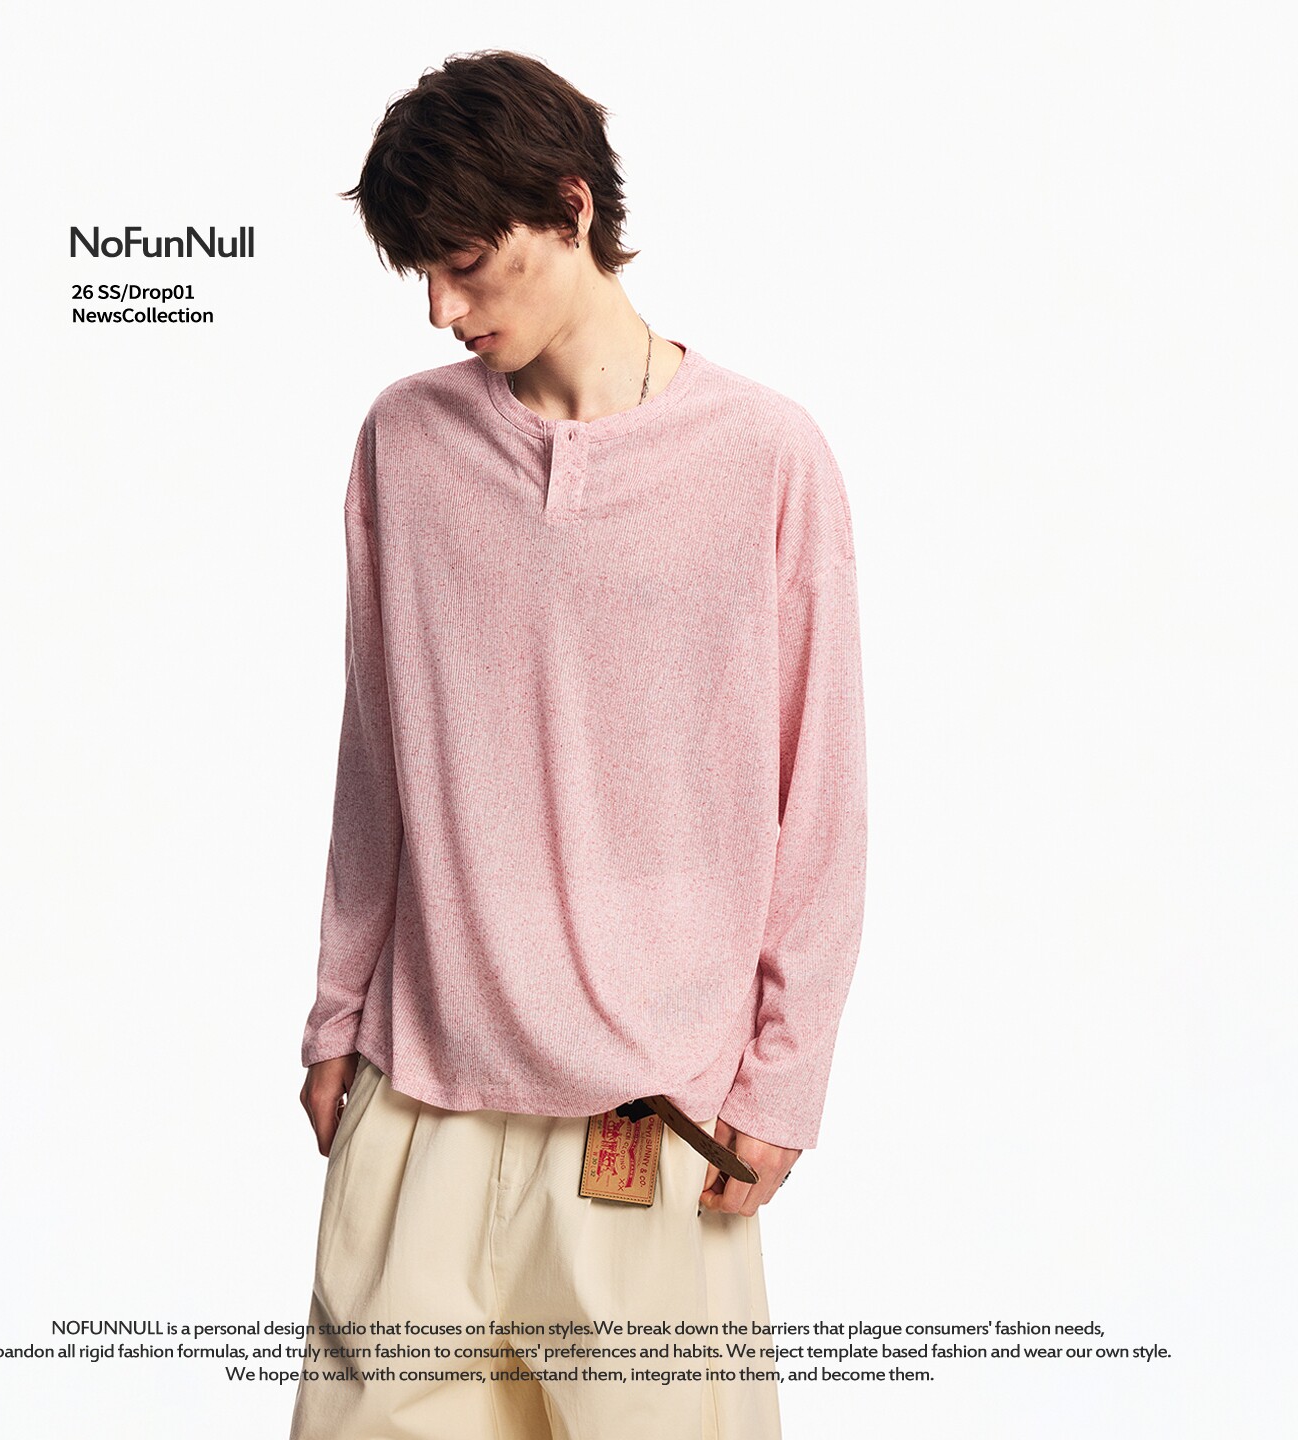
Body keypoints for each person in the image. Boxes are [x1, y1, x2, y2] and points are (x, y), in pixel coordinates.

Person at [290, 49, 867, 1440]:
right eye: (422, 275)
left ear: (569, 208)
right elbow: (377, 756)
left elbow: (822, 795)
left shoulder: (765, 457)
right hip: (418, 1110)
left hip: (651, 1128)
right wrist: (337, 1011)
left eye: (466, 265)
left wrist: (784, 1079)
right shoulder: (405, 445)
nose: (442, 311)